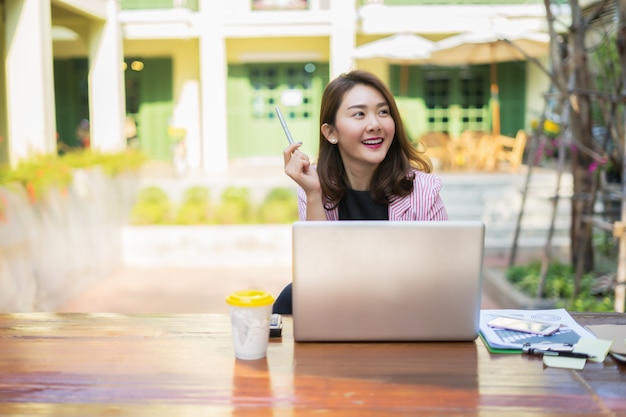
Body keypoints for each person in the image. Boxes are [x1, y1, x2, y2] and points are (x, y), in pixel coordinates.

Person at [272, 69, 448, 314]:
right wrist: (313, 194)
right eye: (359, 114)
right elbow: (317, 278)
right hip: (339, 315)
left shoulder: (425, 191)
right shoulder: (314, 187)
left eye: (383, 112)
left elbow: (440, 283)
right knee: (291, 295)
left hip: (405, 316)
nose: (375, 124)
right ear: (331, 133)